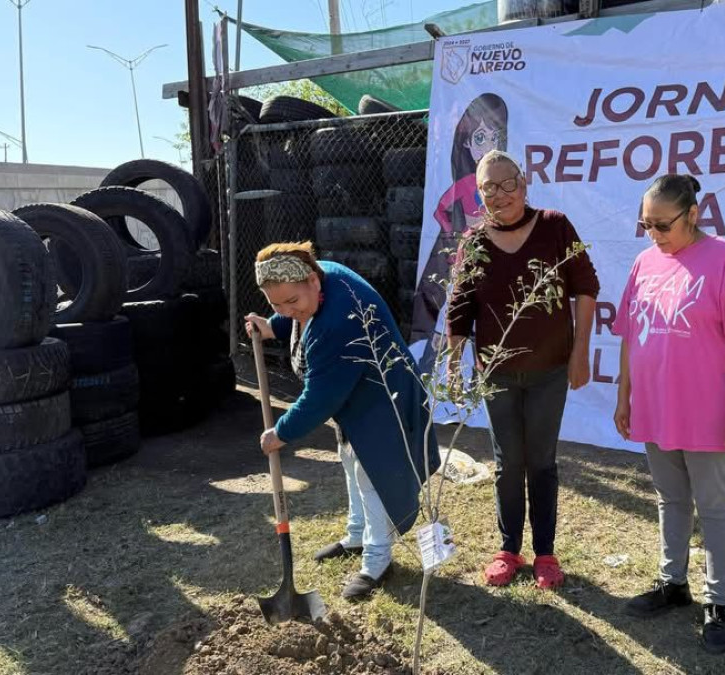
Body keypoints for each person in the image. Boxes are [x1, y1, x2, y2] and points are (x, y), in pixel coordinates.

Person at [612, 174, 725, 653]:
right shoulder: (644, 262)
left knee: (715, 506)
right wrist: (625, 395)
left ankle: (719, 602)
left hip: (708, 412)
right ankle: (672, 583)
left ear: (694, 214)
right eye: (646, 225)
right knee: (669, 498)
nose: (654, 235)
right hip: (657, 408)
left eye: (663, 225)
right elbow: (629, 334)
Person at [245, 242, 440, 600]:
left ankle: (377, 561)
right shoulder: (322, 275)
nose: (287, 310)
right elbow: (294, 315)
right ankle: (356, 535)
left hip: (383, 401)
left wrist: (281, 433)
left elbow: (320, 398)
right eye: (276, 303)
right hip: (357, 398)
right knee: (350, 464)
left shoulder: (337, 322)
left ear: (313, 281)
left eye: (292, 302)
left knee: (372, 476)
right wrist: (272, 324)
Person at [447, 150, 600, 589]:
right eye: (488, 187)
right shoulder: (473, 242)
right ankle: (509, 548)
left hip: (550, 370)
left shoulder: (554, 226)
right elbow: (459, 310)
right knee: (507, 462)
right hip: (495, 374)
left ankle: (545, 553)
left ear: (525, 181)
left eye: (507, 183)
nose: (500, 194)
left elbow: (585, 288)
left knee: (541, 462)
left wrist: (580, 351)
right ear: (479, 195)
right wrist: (455, 369)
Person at [411, 93, 509, 348]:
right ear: (465, 142)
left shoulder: (505, 184)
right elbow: (443, 212)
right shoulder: (465, 187)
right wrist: (457, 236)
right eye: (480, 137)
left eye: (494, 137)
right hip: (463, 258)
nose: (488, 145)